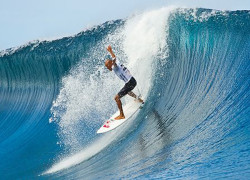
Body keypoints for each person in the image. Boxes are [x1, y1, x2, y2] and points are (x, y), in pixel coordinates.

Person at [105, 45, 144, 120]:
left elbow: (114, 60)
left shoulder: (115, 66)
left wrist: (110, 51)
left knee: (116, 98)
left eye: (107, 66)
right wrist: (111, 52)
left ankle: (122, 115)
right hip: (132, 80)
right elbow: (114, 57)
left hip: (130, 82)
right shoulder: (117, 63)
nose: (107, 68)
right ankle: (139, 99)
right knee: (127, 91)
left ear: (110, 64)